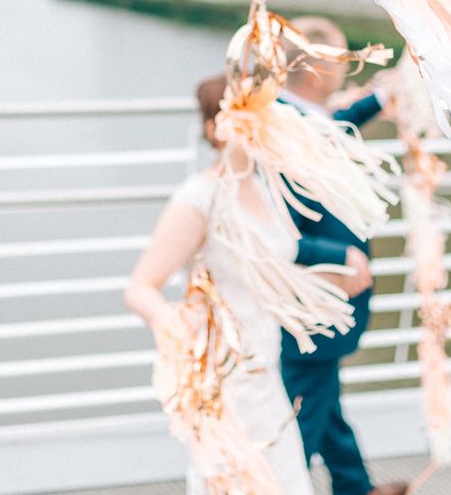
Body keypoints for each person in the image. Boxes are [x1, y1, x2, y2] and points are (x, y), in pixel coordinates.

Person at [126, 74, 327, 494]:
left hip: (267, 372)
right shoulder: (198, 199)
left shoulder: (265, 185)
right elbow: (141, 286)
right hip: (224, 376)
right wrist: (175, 327)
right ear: (216, 128)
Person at [279, 16, 408, 495]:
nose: (346, 72)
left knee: (321, 396)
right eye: (341, 61)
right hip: (315, 290)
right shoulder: (282, 126)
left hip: (322, 292)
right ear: (316, 70)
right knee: (303, 415)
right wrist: (338, 255)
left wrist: (378, 98)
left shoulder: (297, 116)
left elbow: (330, 130)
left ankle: (355, 487)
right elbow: (271, 225)